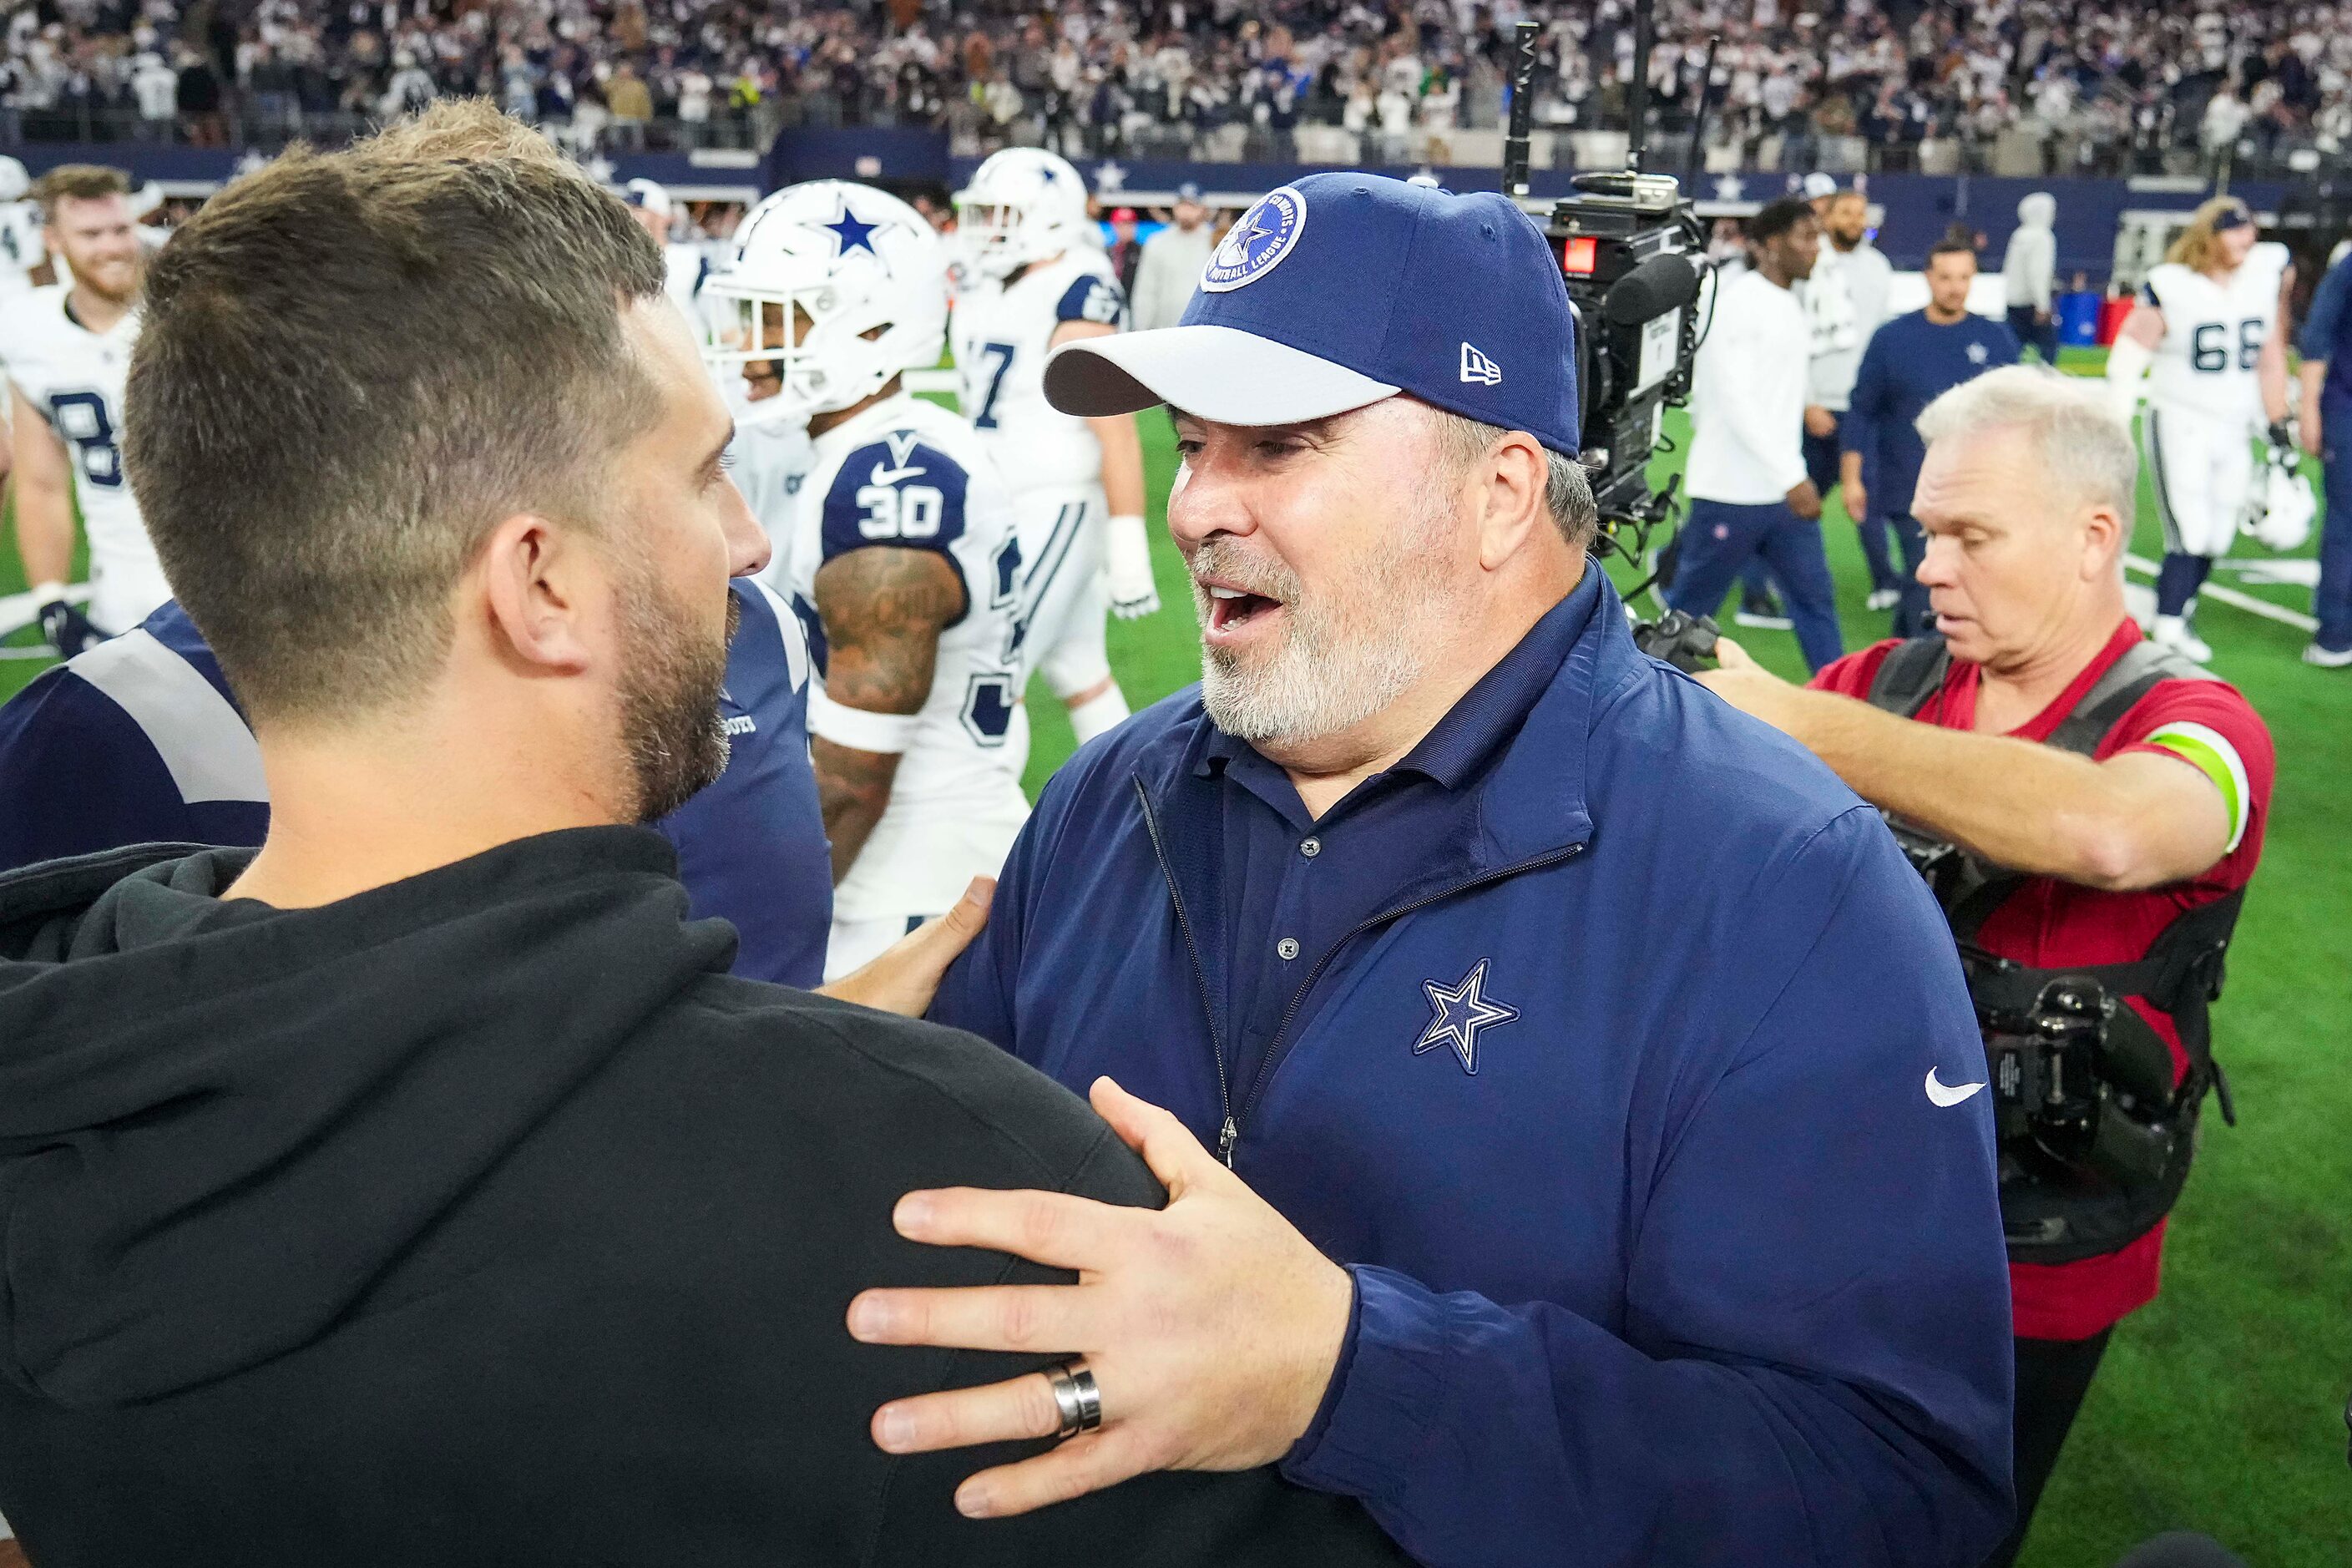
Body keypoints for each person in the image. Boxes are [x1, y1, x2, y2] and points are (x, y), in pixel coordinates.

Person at [0, 104, 1411, 1568]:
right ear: (536, 581)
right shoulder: (933, 1182)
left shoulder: (55, 1097)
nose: (744, 538)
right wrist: (1358, 1363)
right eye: (695, 473)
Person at [850, 173, 2014, 1567]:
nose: (1195, 506)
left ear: (1500, 493)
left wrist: (1349, 1373)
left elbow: (1895, 1496)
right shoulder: (1111, 792)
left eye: (1277, 446)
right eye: (1189, 443)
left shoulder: (1787, 889)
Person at [1697, 366, 2272, 1567]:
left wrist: (1796, 725)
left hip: (2035, 1251)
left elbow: (2112, 828)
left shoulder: (2199, 724)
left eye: (1971, 536)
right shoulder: (1887, 685)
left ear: (2092, 537)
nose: (1929, 570)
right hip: (1829, 1204)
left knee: (1946, 1531)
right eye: (1925, 534)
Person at [705, 180, 1034, 979]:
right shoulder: (900, 446)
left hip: (907, 891)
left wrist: (767, 922)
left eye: (778, 317)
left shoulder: (882, 483)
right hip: (930, 864)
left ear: (871, 325)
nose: (752, 347)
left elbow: (856, 773)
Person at [952, 148, 1158, 748]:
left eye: (1002, 215)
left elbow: (1113, 427)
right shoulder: (996, 283)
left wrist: (1126, 545)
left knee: (992, 675)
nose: (987, 229)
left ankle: (986, 827)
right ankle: (1140, 811)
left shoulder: (1077, 289)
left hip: (1053, 503)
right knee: (1078, 670)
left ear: (1047, 217)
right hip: (1006, 500)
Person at [2106, 196, 2294, 663]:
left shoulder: (2262, 278)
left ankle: (2176, 608)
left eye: (2249, 229)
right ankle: (2168, 625)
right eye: (2233, 230)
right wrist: (2116, 418)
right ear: (2207, 237)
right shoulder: (2173, 285)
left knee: (2219, 533)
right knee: (2188, 530)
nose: (2245, 239)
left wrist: (2278, 426)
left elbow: (2270, 358)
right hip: (2180, 419)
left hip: (2234, 425)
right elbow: (2128, 357)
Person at [1668, 195, 1845, 672]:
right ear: (1769, 245)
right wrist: (1792, 474)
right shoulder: (1739, 302)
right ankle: (1635, 711)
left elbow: (1769, 384)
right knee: (1682, 624)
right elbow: (1734, 398)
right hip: (1731, 491)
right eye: (1807, 238)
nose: (1817, 250)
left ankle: (1843, 712)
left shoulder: (1786, 301)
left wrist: (1805, 405)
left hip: (1778, 494)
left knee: (1816, 608)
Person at [3, 164, 164, 653]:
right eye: (91, 234)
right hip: (120, 606)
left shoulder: (190, 313)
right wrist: (51, 597)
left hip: (229, 599)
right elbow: (41, 483)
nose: (113, 247)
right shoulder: (31, 334)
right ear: (52, 240)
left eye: (120, 229)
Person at [1841, 239, 2021, 637]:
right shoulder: (1892, 338)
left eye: (1964, 278)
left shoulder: (1995, 338)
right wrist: (1852, 478)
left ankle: (1899, 654)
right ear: (1928, 278)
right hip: (1912, 489)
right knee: (1935, 585)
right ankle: (1924, 675)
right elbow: (1862, 410)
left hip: (1979, 488)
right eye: (1946, 277)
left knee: (1941, 583)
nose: (1955, 287)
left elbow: (2017, 415)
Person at [1810, 186, 1900, 609]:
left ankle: (1886, 581)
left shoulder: (1879, 267)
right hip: (1817, 404)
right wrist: (1807, 400)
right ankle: (1757, 587)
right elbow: (1795, 338)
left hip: (1862, 405)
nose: (1854, 220)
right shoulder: (1809, 263)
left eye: (1860, 213)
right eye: (1846, 212)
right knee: (1792, 498)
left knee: (1868, 494)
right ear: (1828, 217)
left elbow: (1882, 336)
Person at [2291, 240, 2352, 666]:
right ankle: (2335, 632)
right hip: (2347, 407)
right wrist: (2309, 409)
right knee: (2346, 522)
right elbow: (2316, 339)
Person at [625, 177, 710, 333]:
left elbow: (718, 314)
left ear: (661, 216)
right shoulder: (623, 261)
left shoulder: (691, 259)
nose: (630, 215)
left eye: (638, 208)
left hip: (689, 346)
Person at [1130, 181, 1216, 332]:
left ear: (1203, 209)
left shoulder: (1215, 242)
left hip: (1203, 332)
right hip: (1164, 332)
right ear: (1175, 207)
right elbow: (1145, 292)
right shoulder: (1157, 243)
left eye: (1192, 206)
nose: (1186, 212)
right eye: (1183, 205)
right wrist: (1140, 330)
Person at [2002, 192, 2060, 363]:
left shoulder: (2019, 235)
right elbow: (2038, 273)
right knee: (2048, 350)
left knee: (2013, 349)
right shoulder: (2042, 237)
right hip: (2031, 303)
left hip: (2013, 302)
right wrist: (2042, 304)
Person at [1105, 205, 1143, 294]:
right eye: (1121, 225)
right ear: (1114, 226)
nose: (1125, 229)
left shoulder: (1142, 252)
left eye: (1129, 224)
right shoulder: (1107, 252)